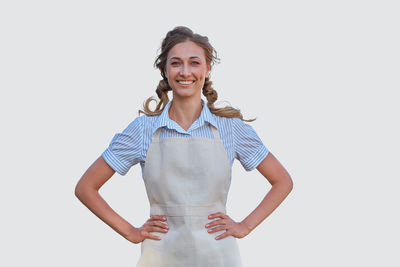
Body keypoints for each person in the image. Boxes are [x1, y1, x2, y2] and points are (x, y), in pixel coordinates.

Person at [75, 26, 293, 267]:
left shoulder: (231, 129)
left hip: (218, 255)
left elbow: (282, 181)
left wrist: (245, 226)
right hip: (159, 257)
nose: (185, 72)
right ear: (165, 70)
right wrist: (130, 232)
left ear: (207, 69)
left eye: (194, 63)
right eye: (176, 63)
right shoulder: (142, 130)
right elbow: (86, 187)